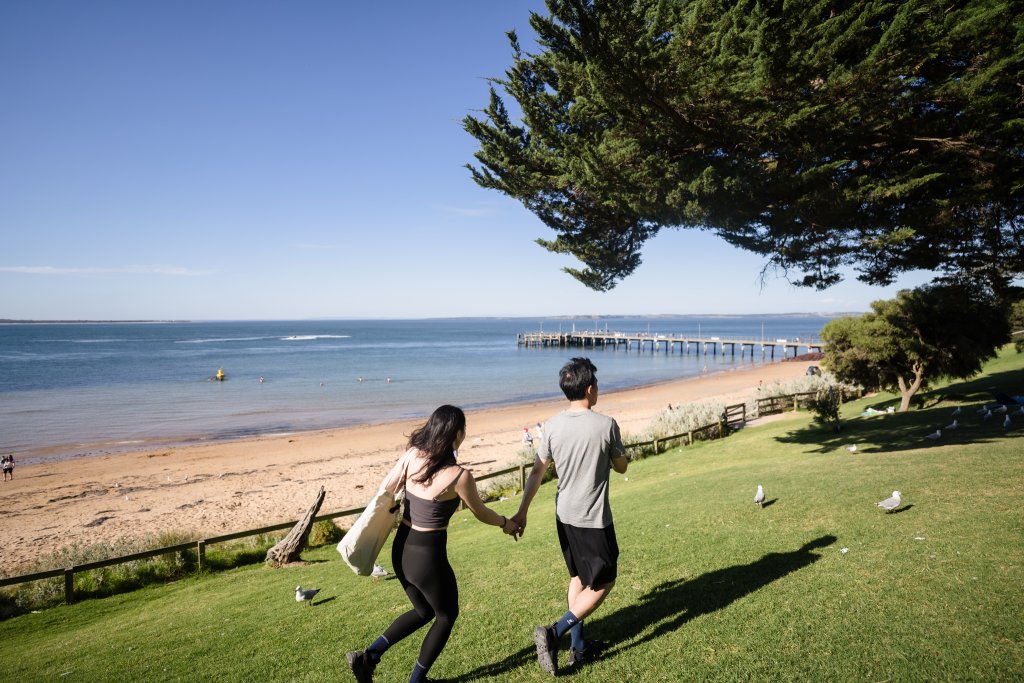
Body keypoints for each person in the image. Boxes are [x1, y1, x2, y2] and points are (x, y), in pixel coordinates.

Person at [346, 405, 520, 683]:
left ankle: (369, 656)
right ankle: (417, 681)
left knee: (424, 611)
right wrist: (505, 523)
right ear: (457, 434)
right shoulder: (459, 476)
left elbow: (386, 489)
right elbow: (481, 512)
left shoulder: (413, 456)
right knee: (446, 615)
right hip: (427, 556)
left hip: (401, 549)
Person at [512, 358, 628, 674]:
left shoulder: (550, 426)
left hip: (564, 515)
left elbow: (537, 472)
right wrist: (619, 455)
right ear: (590, 389)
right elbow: (621, 466)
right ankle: (554, 632)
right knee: (605, 581)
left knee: (578, 576)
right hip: (593, 518)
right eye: (597, 386)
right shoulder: (606, 425)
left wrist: (522, 511)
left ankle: (578, 648)